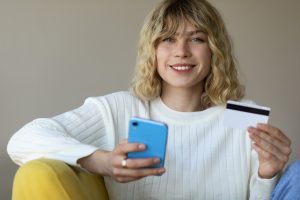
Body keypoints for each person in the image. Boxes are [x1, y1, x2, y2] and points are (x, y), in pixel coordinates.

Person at [7, 0, 296, 199]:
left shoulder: (243, 114)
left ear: (214, 50)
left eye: (196, 39)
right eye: (167, 39)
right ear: (152, 50)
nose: (181, 51)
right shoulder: (122, 108)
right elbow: (23, 140)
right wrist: (102, 162)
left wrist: (267, 175)